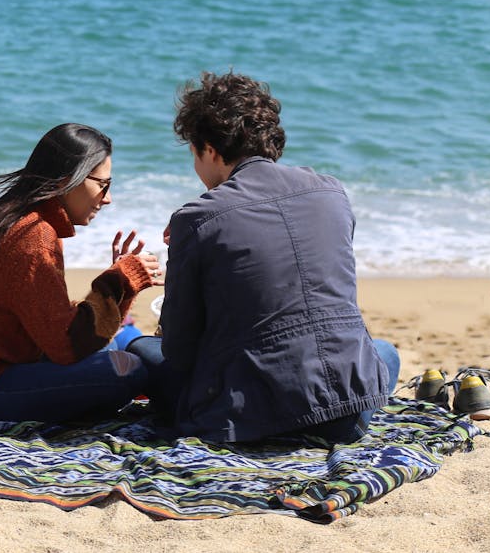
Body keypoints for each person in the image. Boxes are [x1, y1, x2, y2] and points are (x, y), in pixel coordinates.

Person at [128, 72, 400, 444]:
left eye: (194, 154)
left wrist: (187, 250)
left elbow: (180, 348)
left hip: (247, 419)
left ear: (209, 149)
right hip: (346, 414)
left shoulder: (197, 218)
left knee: (141, 349)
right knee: (383, 353)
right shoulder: (332, 193)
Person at [0, 123, 162, 427]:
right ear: (70, 180)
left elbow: (53, 330)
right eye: (103, 185)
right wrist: (118, 282)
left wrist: (122, 286)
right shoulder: (32, 234)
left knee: (114, 346)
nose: (107, 198)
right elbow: (65, 347)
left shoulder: (20, 219)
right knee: (128, 370)